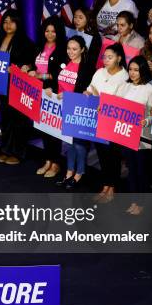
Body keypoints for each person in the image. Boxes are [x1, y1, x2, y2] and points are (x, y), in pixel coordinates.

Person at [85, 43, 129, 203]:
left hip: (113, 123)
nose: (106, 60)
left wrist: (98, 95)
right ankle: (105, 186)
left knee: (113, 156)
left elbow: (118, 102)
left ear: (119, 58)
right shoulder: (99, 72)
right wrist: (88, 92)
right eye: (104, 57)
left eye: (110, 57)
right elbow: (91, 87)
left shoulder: (124, 77)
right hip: (96, 120)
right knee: (102, 154)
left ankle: (112, 188)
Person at [24, 16, 67, 178]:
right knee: (42, 127)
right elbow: (33, 64)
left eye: (53, 31)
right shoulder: (39, 47)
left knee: (54, 130)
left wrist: (41, 76)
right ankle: (48, 160)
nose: (50, 34)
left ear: (58, 32)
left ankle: (56, 163)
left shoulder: (63, 49)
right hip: (38, 92)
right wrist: (28, 67)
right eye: (47, 31)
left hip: (54, 92)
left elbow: (61, 74)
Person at [0, 9, 36, 165]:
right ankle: (6, 149)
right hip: (1, 84)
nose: (8, 25)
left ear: (18, 23)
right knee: (6, 118)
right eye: (5, 21)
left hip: (18, 87)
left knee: (18, 119)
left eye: (11, 21)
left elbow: (30, 65)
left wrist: (16, 67)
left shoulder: (26, 42)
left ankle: (18, 152)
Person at [55, 36, 95, 190]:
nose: (70, 52)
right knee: (68, 143)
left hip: (79, 109)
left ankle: (79, 173)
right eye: (68, 48)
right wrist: (51, 90)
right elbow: (57, 82)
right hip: (62, 108)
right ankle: (69, 172)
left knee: (79, 144)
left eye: (75, 49)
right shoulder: (64, 63)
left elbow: (86, 92)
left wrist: (69, 96)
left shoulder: (87, 68)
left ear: (82, 50)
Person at [119, 56, 152, 215]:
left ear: (143, 70)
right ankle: (134, 201)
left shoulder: (151, 89)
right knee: (132, 171)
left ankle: (142, 203)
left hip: (144, 139)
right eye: (131, 69)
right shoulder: (125, 86)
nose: (133, 73)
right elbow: (116, 106)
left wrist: (146, 122)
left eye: (136, 70)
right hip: (127, 136)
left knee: (142, 172)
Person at [72, 6, 102, 72]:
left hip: (84, 69)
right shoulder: (71, 31)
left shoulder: (94, 36)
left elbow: (94, 59)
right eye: (75, 17)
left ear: (88, 19)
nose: (77, 20)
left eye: (80, 17)